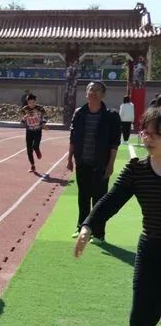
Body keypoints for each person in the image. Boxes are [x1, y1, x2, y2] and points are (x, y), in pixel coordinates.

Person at [74, 101, 161, 326]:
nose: (146, 138)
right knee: (140, 320)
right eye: (144, 132)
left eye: (154, 134)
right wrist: (88, 225)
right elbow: (111, 200)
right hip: (151, 249)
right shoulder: (137, 169)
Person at [67, 81, 121, 243]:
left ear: (103, 95)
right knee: (83, 196)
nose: (92, 92)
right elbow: (73, 137)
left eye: (97, 90)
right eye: (90, 89)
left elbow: (114, 142)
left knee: (99, 199)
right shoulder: (79, 113)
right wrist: (70, 159)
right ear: (86, 93)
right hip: (82, 162)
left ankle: (98, 233)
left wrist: (111, 164)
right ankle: (81, 227)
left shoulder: (111, 115)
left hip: (101, 164)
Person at [20, 93, 48, 173]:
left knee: (35, 146)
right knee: (29, 150)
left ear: (35, 102)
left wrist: (43, 123)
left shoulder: (40, 109)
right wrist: (23, 119)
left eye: (33, 102)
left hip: (37, 131)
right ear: (27, 102)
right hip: (29, 131)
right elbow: (22, 121)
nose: (31, 104)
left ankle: (38, 151)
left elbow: (45, 116)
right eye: (29, 102)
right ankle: (32, 165)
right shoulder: (24, 109)